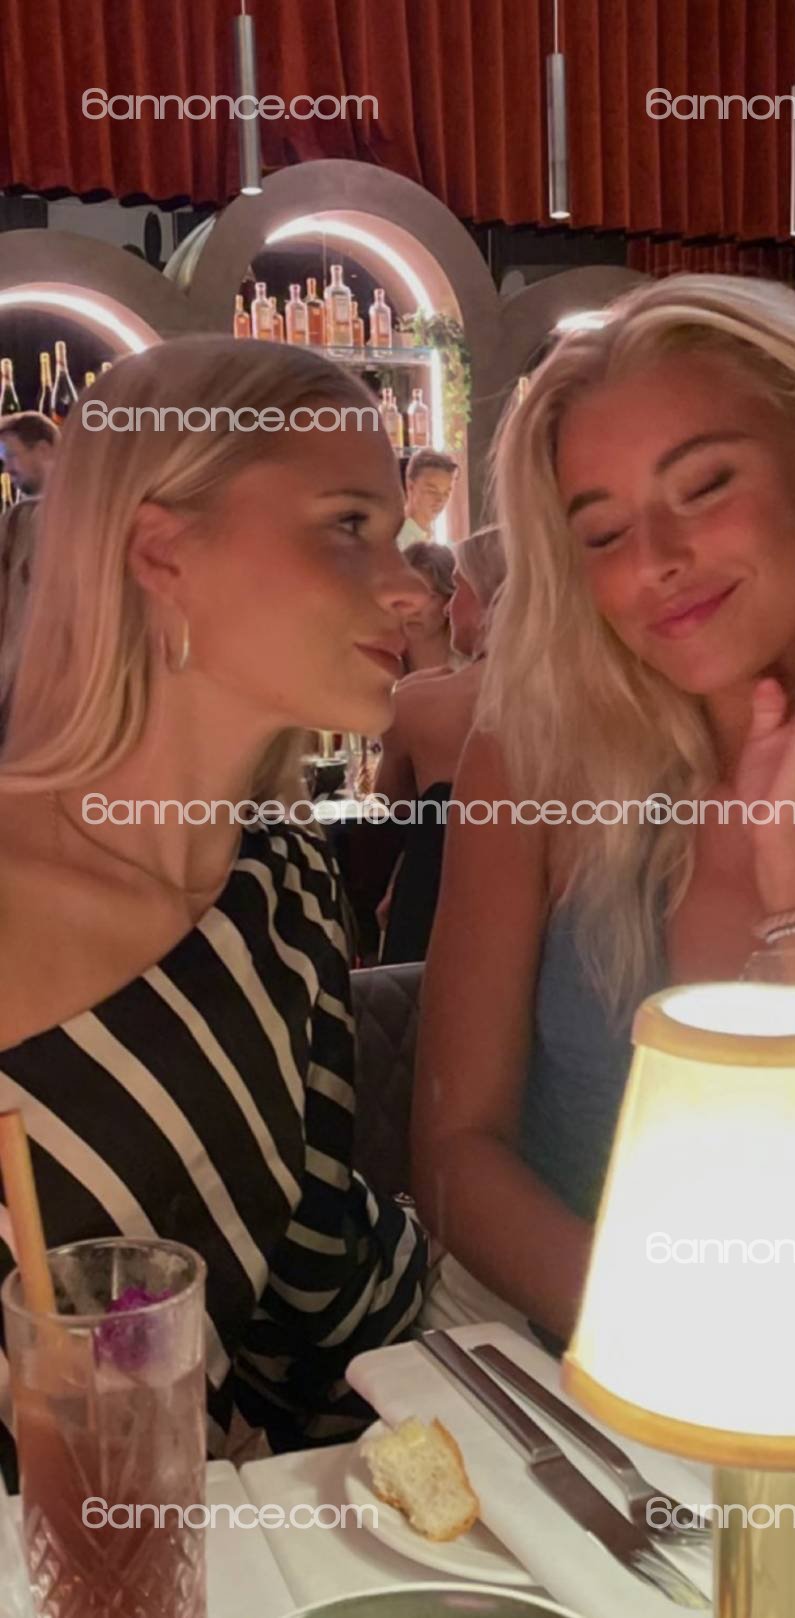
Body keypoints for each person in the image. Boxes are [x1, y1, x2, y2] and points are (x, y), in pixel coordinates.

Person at [413, 274, 795, 1354]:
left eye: (702, 486)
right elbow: (457, 1160)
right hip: (575, 1376)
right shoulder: (530, 762)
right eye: (602, 532)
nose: (655, 560)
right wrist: (680, 1348)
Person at [0, 337, 429, 1482]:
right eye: (348, 524)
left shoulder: (283, 878)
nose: (409, 587)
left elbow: (315, 1287)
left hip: (209, 1537)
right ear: (162, 551)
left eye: (395, 534)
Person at [375, 527, 505, 962]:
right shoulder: (590, 701)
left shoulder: (415, 702)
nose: (450, 605)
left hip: (436, 916)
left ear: (491, 603)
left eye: (459, 588)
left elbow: (392, 811)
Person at [0, 413, 60, 715]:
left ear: (44, 449)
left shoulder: (21, 521)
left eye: (12, 455)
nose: (7, 468)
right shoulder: (16, 522)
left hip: (32, 692)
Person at [400, 539, 459, 673]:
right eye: (406, 595)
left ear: (450, 601)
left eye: (429, 597)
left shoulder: (473, 667)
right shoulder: (379, 666)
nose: (413, 610)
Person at [396, 449, 459, 550]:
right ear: (411, 487)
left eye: (446, 493)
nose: (440, 500)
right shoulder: (398, 542)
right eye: (432, 491)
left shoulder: (432, 538)